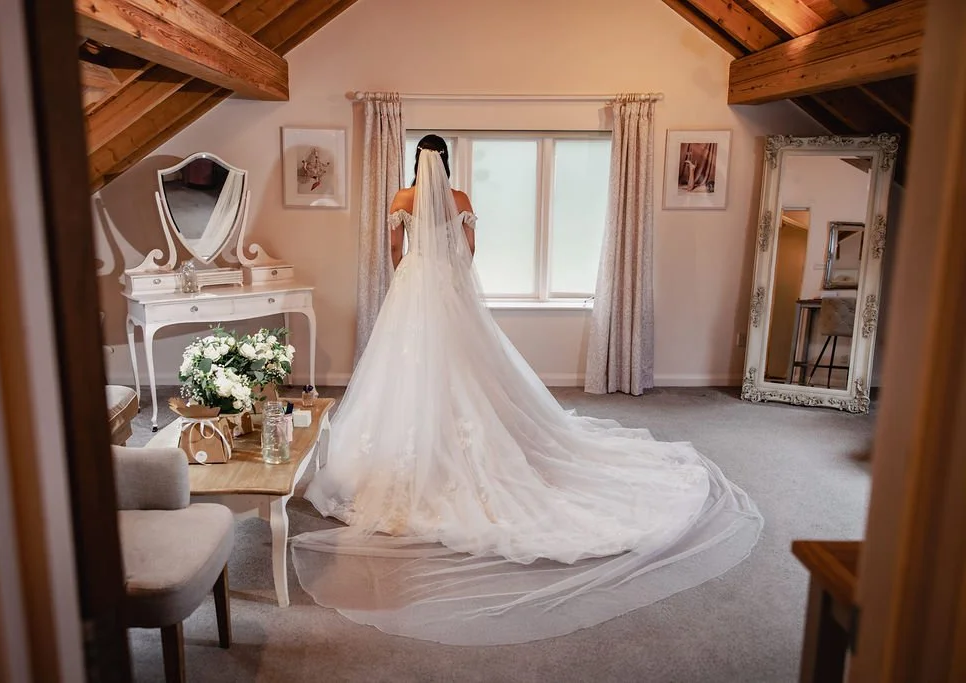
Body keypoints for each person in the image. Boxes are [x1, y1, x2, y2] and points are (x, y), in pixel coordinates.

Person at [291, 134, 762, 646]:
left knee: (405, 372)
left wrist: (415, 279)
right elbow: (469, 253)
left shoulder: (402, 200)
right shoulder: (463, 199)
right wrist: (448, 279)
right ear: (445, 161)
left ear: (415, 162)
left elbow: (394, 252)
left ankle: (417, 453)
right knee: (470, 370)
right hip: (448, 290)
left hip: (414, 292)